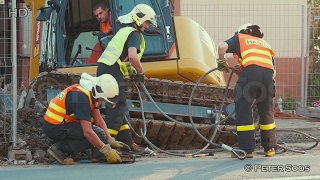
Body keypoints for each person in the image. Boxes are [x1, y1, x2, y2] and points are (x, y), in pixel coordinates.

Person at [96, 4, 157, 151]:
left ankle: (127, 142)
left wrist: (131, 71)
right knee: (118, 106)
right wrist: (141, 71)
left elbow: (123, 58)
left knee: (121, 107)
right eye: (147, 22)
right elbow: (132, 56)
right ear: (139, 19)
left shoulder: (125, 31)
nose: (147, 26)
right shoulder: (134, 34)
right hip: (112, 69)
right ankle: (106, 144)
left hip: (107, 68)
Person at [43, 73, 130, 165]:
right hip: (55, 127)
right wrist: (107, 151)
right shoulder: (81, 98)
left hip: (61, 123)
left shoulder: (90, 94)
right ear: (99, 92)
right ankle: (59, 149)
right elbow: (87, 132)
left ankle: (98, 156)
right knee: (96, 133)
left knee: (99, 133)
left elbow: (98, 120)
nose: (103, 101)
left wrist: (110, 140)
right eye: (103, 99)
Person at [217, 23, 277, 158]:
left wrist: (222, 61)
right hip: (268, 77)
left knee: (244, 109)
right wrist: (246, 70)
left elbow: (222, 47)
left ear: (241, 32)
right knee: (266, 111)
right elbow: (272, 71)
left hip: (251, 74)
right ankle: (270, 148)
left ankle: (247, 149)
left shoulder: (240, 38)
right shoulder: (265, 44)